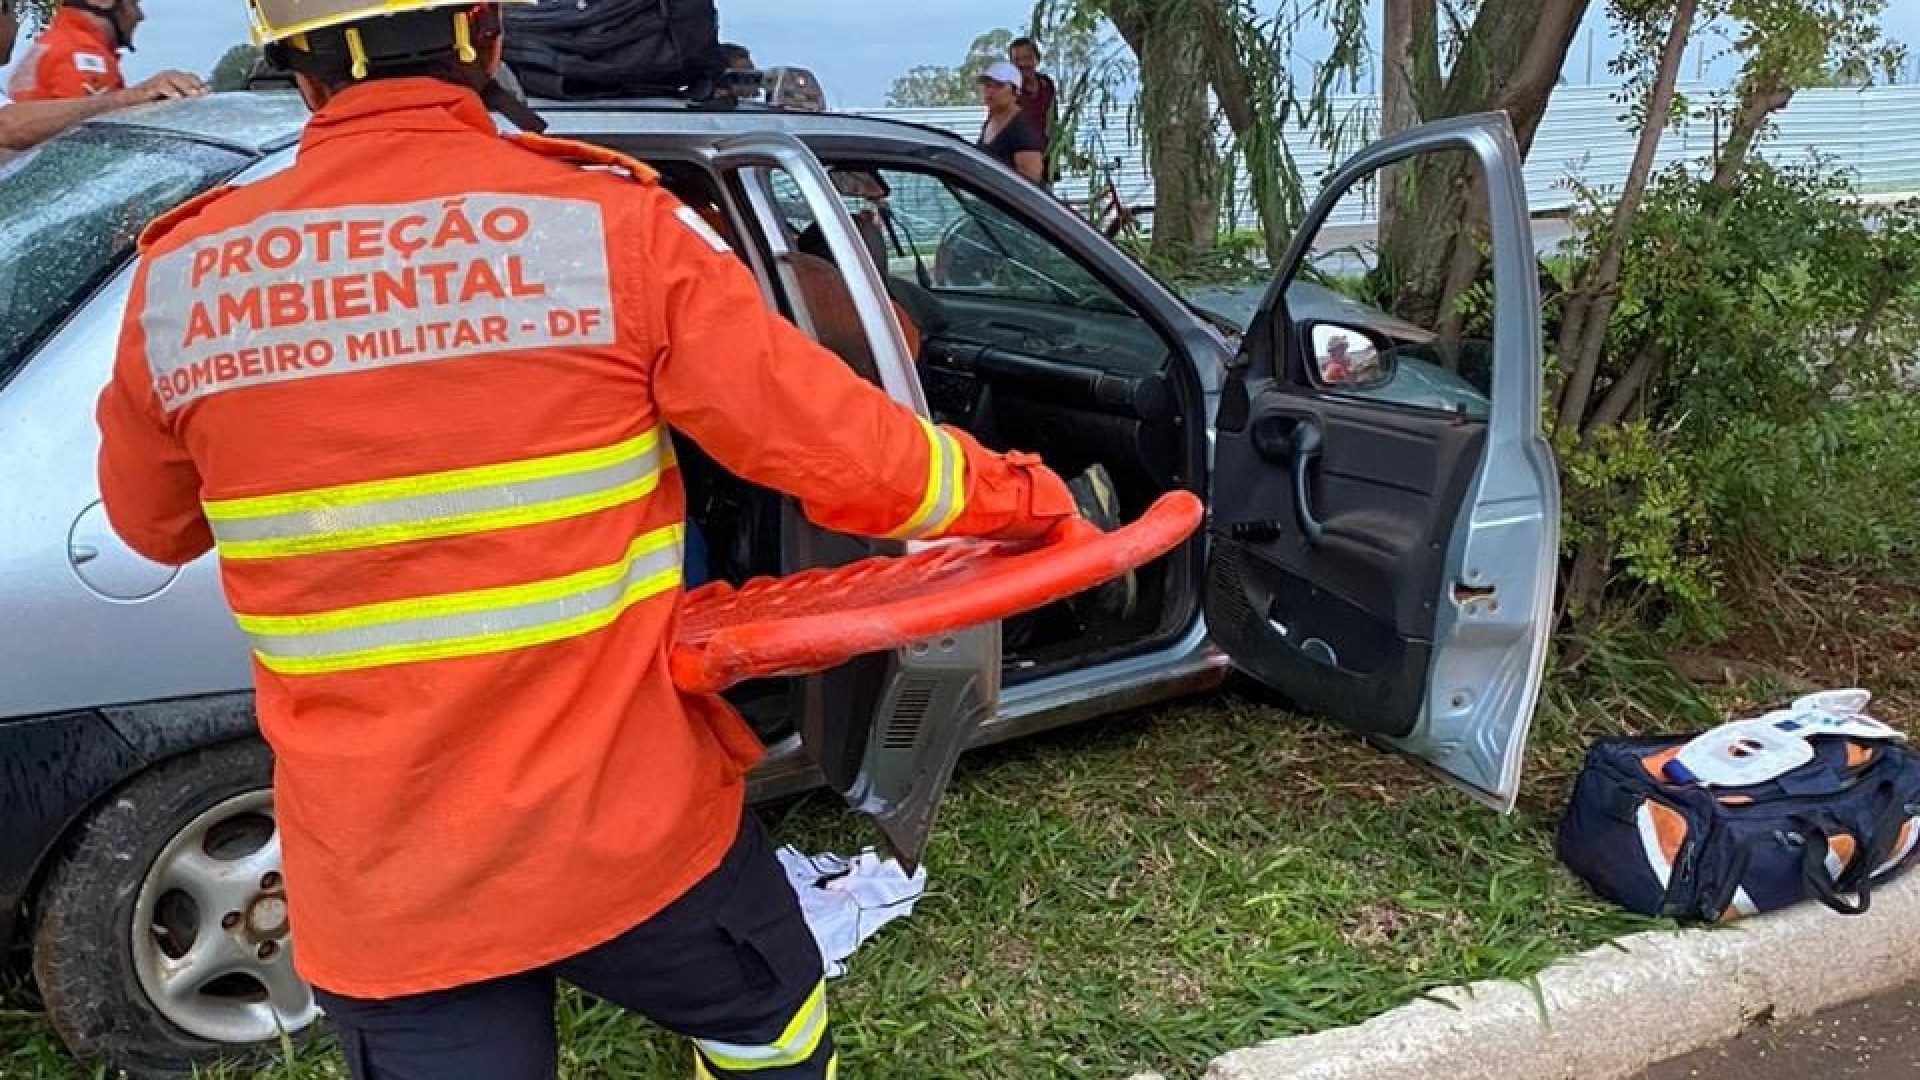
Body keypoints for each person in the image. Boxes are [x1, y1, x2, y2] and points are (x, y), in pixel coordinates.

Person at [94, 3, 1082, 1078]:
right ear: (484, 33)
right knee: (775, 1030)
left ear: (295, 69)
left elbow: (152, 528)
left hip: (386, 876)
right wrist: (1028, 497)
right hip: (623, 834)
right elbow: (852, 458)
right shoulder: (605, 228)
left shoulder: (186, 281)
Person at [0, 0, 203, 156]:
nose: (139, 16)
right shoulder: (82, 55)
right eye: (133, 3)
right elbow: (93, 151)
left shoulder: (53, 44)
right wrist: (138, 97)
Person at [976, 60, 1044, 185]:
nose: (990, 91)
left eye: (999, 86)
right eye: (987, 85)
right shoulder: (989, 123)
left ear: (1015, 91)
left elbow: (1030, 186)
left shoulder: (1022, 132)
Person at [1009, 36, 1055, 166]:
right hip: (1018, 164)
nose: (1023, 64)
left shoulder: (1047, 85)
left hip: (1045, 159)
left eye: (1027, 58)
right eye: (1017, 60)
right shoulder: (1007, 91)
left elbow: (1054, 123)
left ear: (1037, 59)